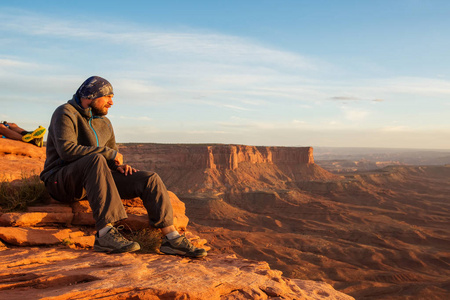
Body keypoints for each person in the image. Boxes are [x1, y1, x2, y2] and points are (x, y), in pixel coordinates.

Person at [40, 76, 207, 257]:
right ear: (91, 95)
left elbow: (111, 154)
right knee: (95, 160)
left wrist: (117, 165)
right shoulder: (65, 113)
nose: (111, 102)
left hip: (95, 180)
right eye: (108, 97)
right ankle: (105, 233)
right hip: (61, 181)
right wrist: (107, 155)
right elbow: (67, 151)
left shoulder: (104, 122)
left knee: (149, 179)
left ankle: (171, 238)